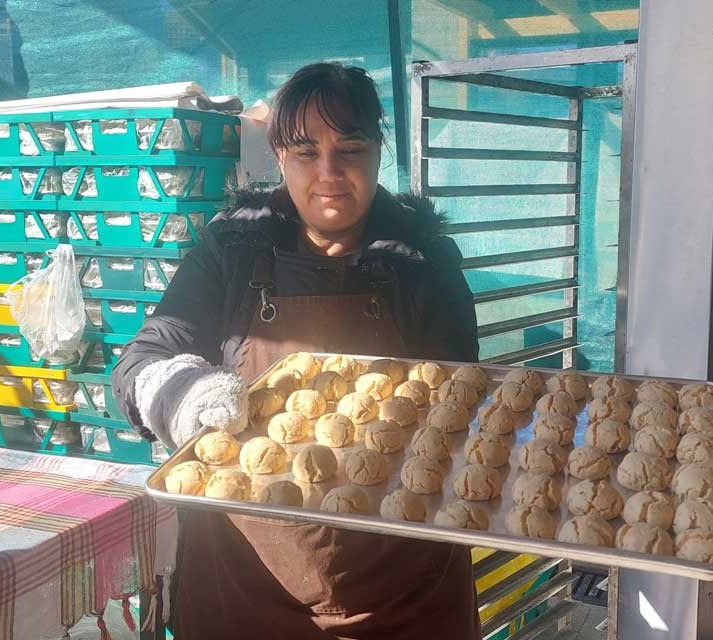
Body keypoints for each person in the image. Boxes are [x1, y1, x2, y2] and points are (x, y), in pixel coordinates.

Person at [112, 63, 481, 638]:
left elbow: (465, 403)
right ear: (279, 157)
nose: (330, 173)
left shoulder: (424, 261)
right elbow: (139, 362)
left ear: (379, 152)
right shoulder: (231, 250)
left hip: (400, 592)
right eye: (306, 152)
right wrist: (179, 392)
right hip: (244, 585)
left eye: (350, 148)